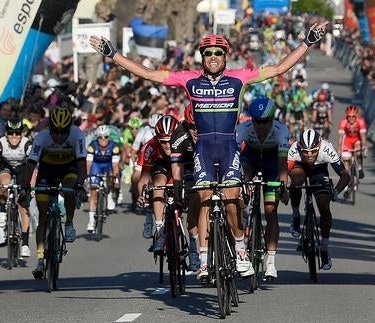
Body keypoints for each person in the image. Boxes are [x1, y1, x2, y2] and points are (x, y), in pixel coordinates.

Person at [90, 21, 328, 279]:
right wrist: (112, 54)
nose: (213, 57)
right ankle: (203, 261)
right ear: (201, 57)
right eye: (207, 53)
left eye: (218, 53)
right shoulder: (189, 79)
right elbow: (149, 74)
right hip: (203, 149)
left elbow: (279, 68)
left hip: (228, 147)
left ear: (225, 56)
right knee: (203, 199)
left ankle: (240, 250)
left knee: (231, 202)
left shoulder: (239, 77)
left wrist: (308, 41)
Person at [23, 107, 87, 279]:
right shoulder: (42, 136)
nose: (59, 135)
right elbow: (30, 165)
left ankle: (69, 223)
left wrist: (80, 184)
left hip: (69, 168)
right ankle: (41, 261)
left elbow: (82, 164)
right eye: (55, 132)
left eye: (63, 132)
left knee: (70, 189)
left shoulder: (77, 135)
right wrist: (25, 186)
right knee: (43, 214)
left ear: (69, 129)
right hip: (47, 170)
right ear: (49, 128)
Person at [235, 97, 290, 280]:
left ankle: (271, 262)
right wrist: (243, 182)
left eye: (264, 121)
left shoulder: (281, 130)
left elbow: (282, 164)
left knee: (270, 210)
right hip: (249, 160)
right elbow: (235, 160)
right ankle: (241, 231)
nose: (260, 125)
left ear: (272, 119)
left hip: (272, 163)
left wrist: (283, 185)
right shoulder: (243, 128)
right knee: (241, 195)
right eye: (256, 121)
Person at [287, 129, 350, 270]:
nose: (309, 155)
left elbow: (345, 176)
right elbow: (284, 172)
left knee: (324, 206)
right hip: (299, 167)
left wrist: (336, 192)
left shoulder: (326, 149)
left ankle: (325, 249)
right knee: (296, 183)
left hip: (319, 171)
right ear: (300, 147)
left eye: (313, 151)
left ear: (319, 146)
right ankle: (296, 215)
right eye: (305, 151)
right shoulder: (294, 149)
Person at [0, 118, 33, 257]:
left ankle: (25, 244)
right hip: (6, 166)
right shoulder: (0, 144)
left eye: (17, 133)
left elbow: (33, 169)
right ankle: (2, 211)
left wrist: (31, 187)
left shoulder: (27, 144)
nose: (14, 136)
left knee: (23, 206)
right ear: (6, 134)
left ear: (22, 134)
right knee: (4, 183)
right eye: (11, 133)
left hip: (23, 169)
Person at [135, 115, 179, 252]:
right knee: (158, 183)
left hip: (180, 166)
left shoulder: (184, 142)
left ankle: (194, 246)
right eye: (163, 141)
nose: (167, 145)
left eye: (170, 141)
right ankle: (160, 232)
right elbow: (143, 178)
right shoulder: (150, 146)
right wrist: (142, 194)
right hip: (162, 167)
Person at [170, 105, 200, 270]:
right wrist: (178, 194)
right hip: (188, 166)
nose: (195, 131)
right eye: (192, 127)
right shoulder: (179, 135)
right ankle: (194, 250)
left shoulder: (211, 129)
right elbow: (176, 173)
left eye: (198, 126)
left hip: (211, 162)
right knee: (194, 199)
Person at [85, 125, 121, 232]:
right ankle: (91, 221)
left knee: (112, 174)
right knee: (93, 193)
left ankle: (109, 195)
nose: (103, 140)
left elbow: (115, 165)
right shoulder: (92, 146)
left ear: (109, 137)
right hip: (96, 165)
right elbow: (89, 163)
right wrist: (87, 176)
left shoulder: (114, 147)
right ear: (97, 138)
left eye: (105, 137)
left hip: (108, 165)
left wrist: (116, 178)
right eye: (100, 137)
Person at [338, 105, 367, 181]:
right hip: (347, 140)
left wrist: (364, 146)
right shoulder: (343, 122)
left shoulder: (361, 121)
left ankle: (360, 168)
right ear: (346, 116)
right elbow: (341, 136)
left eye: (353, 116)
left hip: (357, 139)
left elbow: (362, 135)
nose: (351, 118)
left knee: (358, 152)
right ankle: (347, 182)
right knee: (346, 160)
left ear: (356, 115)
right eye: (349, 116)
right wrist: (339, 147)